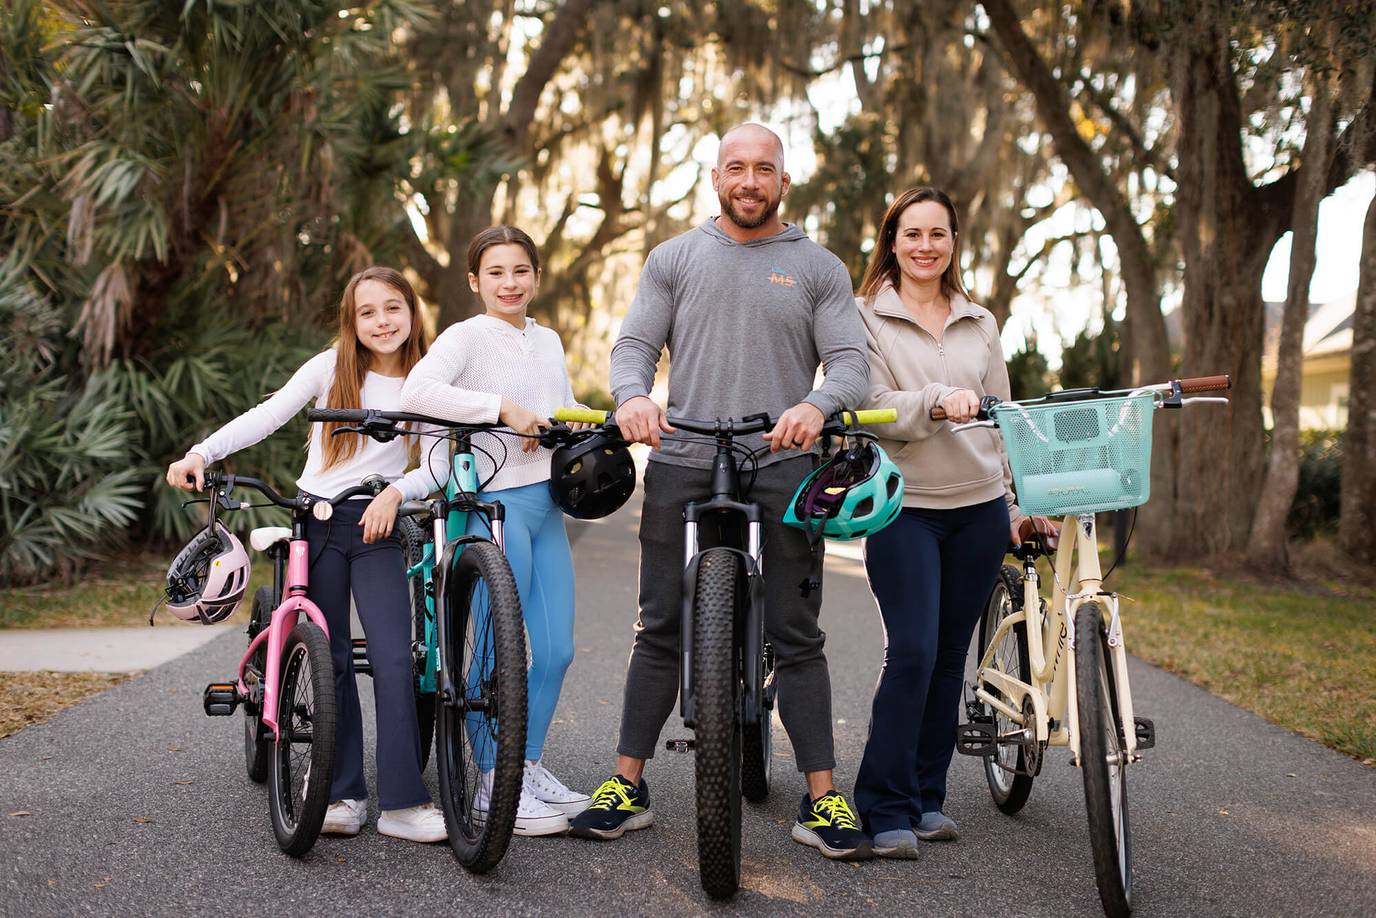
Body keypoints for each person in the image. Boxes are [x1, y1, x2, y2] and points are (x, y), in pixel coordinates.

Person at [569, 123, 876, 861]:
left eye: (763, 169)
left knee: (797, 633)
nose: (749, 180)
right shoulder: (674, 258)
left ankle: (823, 796)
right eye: (736, 168)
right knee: (659, 624)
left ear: (782, 181)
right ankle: (626, 784)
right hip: (682, 453)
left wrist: (817, 406)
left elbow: (850, 366)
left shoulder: (818, 268)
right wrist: (631, 397)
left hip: (782, 457)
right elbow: (636, 345)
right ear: (715, 178)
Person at [166, 267, 449, 843]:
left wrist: (398, 492)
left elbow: (439, 462)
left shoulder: (429, 380)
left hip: (379, 526)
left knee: (396, 660)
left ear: (412, 312)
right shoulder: (331, 368)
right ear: (352, 321)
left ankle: (402, 802)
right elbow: (267, 417)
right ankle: (342, 792)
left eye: (392, 308)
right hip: (316, 523)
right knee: (333, 659)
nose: (382, 322)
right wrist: (201, 451)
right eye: (367, 312)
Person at [852, 186, 1058, 858]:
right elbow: (871, 402)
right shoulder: (865, 318)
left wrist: (1017, 506)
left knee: (946, 663)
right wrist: (937, 401)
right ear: (892, 241)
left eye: (937, 235)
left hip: (976, 509)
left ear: (953, 244)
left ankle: (925, 798)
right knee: (910, 652)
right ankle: (882, 807)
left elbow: (1001, 420)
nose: (925, 247)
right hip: (904, 505)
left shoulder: (979, 321)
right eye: (912, 234)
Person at [400, 225, 591, 837]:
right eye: (496, 273)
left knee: (556, 648)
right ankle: (489, 777)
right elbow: (418, 391)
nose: (510, 284)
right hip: (488, 504)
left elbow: (557, 408)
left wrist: (599, 423)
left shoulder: (550, 340)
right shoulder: (466, 337)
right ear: (475, 281)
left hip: (546, 503)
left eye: (520, 272)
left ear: (536, 276)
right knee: (490, 651)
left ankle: (525, 765)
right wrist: (501, 409)